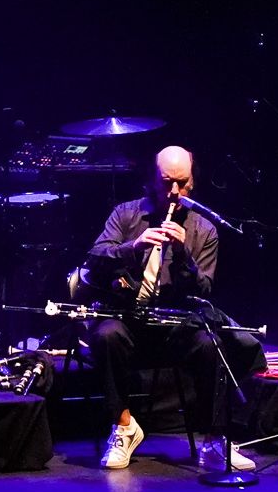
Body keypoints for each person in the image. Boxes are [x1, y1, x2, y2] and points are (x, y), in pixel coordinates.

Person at [81, 145, 263, 471]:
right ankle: (124, 426)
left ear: (193, 181)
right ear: (152, 180)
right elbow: (94, 260)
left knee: (211, 345)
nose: (175, 192)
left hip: (174, 327)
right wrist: (133, 246)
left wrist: (182, 256)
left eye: (182, 182)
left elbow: (204, 289)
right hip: (129, 321)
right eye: (167, 183)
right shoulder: (125, 215)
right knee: (106, 336)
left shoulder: (203, 230)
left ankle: (214, 440)